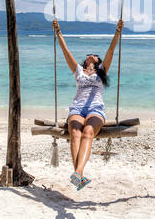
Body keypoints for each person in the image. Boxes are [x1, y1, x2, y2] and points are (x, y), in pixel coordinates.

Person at [52, 18, 124, 190]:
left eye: (94, 55)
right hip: (77, 107)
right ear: (85, 62)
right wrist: (58, 32)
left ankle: (78, 173)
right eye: (88, 55)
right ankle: (79, 175)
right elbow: (65, 50)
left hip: (95, 109)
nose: (91, 55)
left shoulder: (101, 72)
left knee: (88, 131)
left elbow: (111, 50)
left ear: (97, 62)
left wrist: (118, 32)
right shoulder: (78, 70)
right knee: (75, 133)